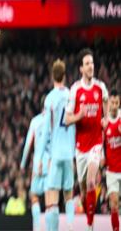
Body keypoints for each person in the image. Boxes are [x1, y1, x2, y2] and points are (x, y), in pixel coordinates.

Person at [65, 48, 108, 231]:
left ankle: (90, 227)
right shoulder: (75, 89)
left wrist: (106, 119)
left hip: (96, 143)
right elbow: (67, 119)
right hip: (80, 147)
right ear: (81, 68)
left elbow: (106, 108)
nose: (91, 66)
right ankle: (88, 214)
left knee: (91, 181)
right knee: (83, 193)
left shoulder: (101, 87)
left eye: (92, 63)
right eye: (87, 64)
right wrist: (79, 116)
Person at [36, 59, 75, 231]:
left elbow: (45, 132)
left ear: (53, 76)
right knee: (69, 196)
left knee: (52, 197)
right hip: (69, 153)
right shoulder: (71, 95)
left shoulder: (49, 98)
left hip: (55, 154)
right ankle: (71, 227)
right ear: (64, 76)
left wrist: (39, 159)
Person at [20, 97, 50, 231]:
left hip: (38, 164)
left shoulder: (35, 121)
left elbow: (28, 145)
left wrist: (23, 164)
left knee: (34, 196)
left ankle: (37, 228)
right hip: (50, 165)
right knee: (50, 200)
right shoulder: (54, 121)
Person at [104, 89, 120, 231]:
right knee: (114, 203)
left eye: (116, 103)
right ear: (108, 103)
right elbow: (100, 143)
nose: (114, 106)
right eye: (112, 103)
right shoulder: (104, 121)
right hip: (112, 172)